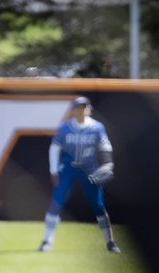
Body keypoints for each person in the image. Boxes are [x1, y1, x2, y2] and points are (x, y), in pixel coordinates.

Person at [38, 96, 121, 254]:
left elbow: (105, 145)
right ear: (73, 110)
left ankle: (110, 241)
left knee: (98, 205)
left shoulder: (97, 127)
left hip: (89, 168)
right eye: (78, 107)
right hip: (68, 167)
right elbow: (54, 148)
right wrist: (53, 171)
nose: (81, 110)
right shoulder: (65, 127)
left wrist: (108, 162)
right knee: (56, 202)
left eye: (84, 107)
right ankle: (46, 240)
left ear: (89, 109)